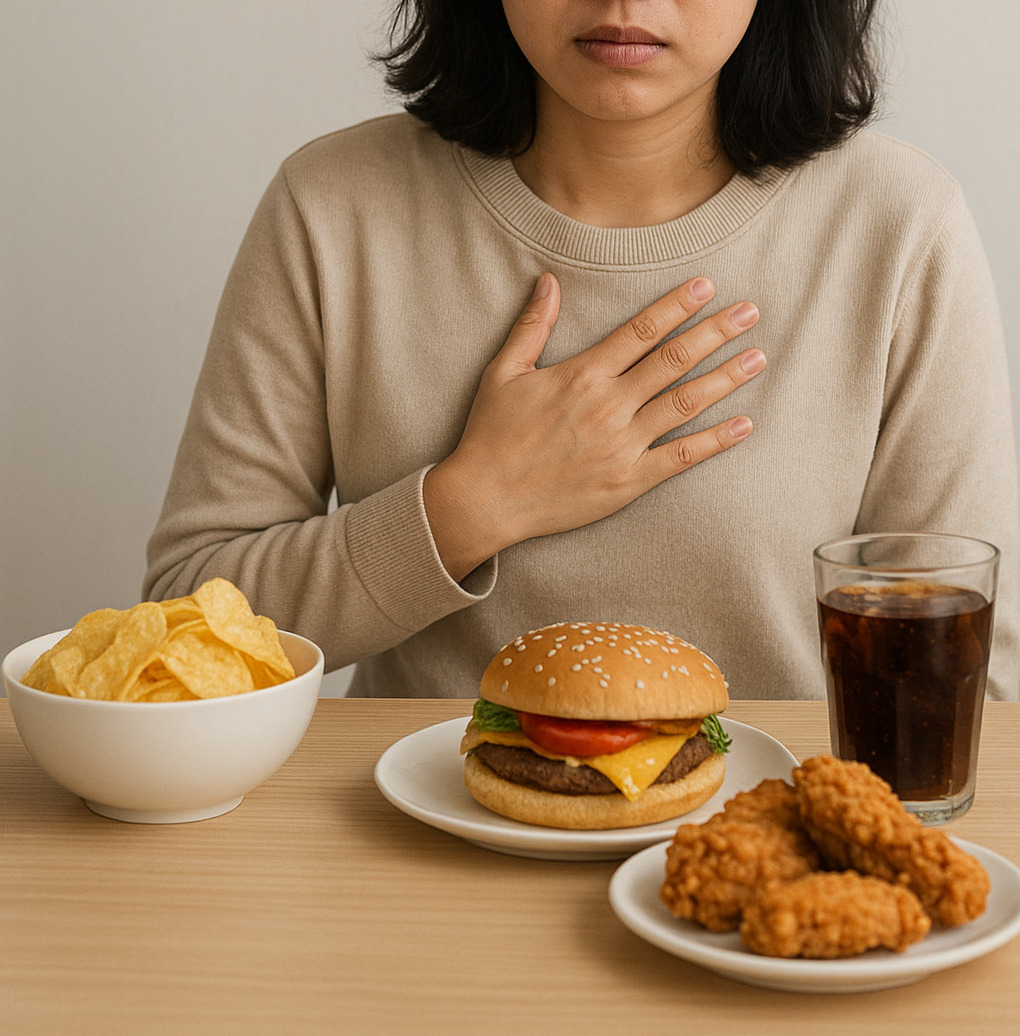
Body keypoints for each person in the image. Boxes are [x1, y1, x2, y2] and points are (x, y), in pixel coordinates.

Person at [144, 0, 1020, 700]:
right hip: (410, 859)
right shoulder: (332, 206)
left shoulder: (900, 228)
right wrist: (468, 506)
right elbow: (182, 629)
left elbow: (977, 679)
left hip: (768, 876)